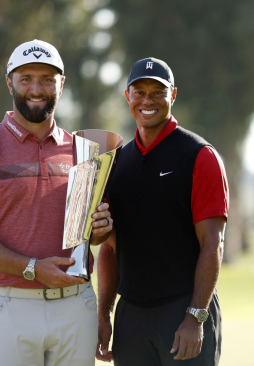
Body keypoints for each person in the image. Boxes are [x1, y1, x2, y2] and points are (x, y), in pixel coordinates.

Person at [0, 39, 112, 366]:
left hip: (75, 306)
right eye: (26, 79)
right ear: (10, 82)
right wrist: (32, 268)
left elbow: (91, 235)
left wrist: (100, 229)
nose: (37, 89)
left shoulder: (85, 151)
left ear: (61, 84)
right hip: (9, 307)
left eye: (47, 79)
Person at [96, 57, 229, 365]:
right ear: (128, 96)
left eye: (158, 92)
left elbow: (213, 242)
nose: (148, 100)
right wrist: (104, 314)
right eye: (139, 92)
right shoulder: (116, 163)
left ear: (173, 95)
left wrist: (195, 317)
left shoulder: (199, 156)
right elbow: (110, 249)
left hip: (183, 310)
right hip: (131, 316)